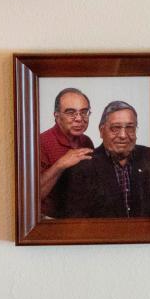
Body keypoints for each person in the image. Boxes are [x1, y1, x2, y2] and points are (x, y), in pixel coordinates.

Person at [64, 101, 150, 218]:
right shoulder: (83, 167)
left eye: (130, 128)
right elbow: (78, 224)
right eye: (115, 128)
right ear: (101, 131)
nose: (123, 135)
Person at [38, 88, 94, 218]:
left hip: (77, 217)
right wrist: (60, 164)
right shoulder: (40, 142)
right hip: (47, 219)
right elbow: (32, 196)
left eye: (84, 112)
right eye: (71, 112)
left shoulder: (86, 141)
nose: (79, 119)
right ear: (56, 116)